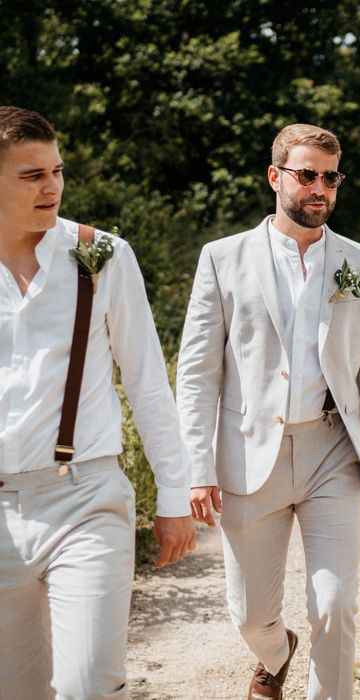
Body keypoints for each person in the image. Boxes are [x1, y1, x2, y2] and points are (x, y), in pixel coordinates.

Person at [176, 123, 360, 700]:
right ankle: (276, 656)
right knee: (250, 615)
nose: (320, 188)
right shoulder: (222, 258)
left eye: (330, 177)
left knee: (335, 603)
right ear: (276, 176)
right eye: (307, 175)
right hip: (249, 453)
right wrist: (195, 465)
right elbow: (199, 371)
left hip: (332, 450)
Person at [0, 106, 195, 699]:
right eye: (31, 175)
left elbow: (145, 383)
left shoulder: (102, 255)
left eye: (56, 170)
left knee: (90, 686)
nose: (53, 186)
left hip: (85, 496)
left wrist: (174, 494)